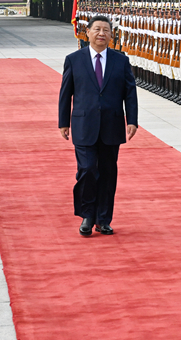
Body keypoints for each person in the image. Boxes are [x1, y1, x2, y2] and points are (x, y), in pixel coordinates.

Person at [58, 14, 139, 237]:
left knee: (107, 173)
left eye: (106, 30)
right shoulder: (74, 59)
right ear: (88, 33)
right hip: (84, 125)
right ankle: (87, 215)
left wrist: (132, 120)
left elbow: (129, 92)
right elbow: (66, 93)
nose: (101, 33)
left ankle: (103, 219)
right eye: (97, 29)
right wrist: (63, 122)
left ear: (111, 35)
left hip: (112, 126)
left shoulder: (120, 60)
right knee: (86, 170)